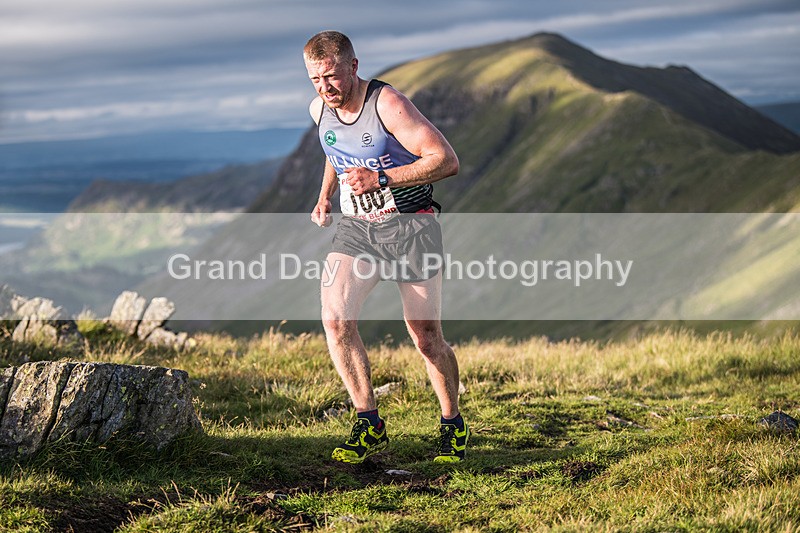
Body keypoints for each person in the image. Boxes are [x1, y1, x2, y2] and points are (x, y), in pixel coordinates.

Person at [303, 30, 468, 463]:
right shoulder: (320, 109)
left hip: (412, 226)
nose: (325, 88)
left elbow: (446, 161)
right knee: (336, 320)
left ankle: (452, 423)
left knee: (426, 337)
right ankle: (369, 422)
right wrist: (324, 196)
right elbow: (334, 149)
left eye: (332, 76)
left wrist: (380, 178)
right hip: (358, 228)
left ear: (353, 66)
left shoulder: (388, 105)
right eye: (315, 79)